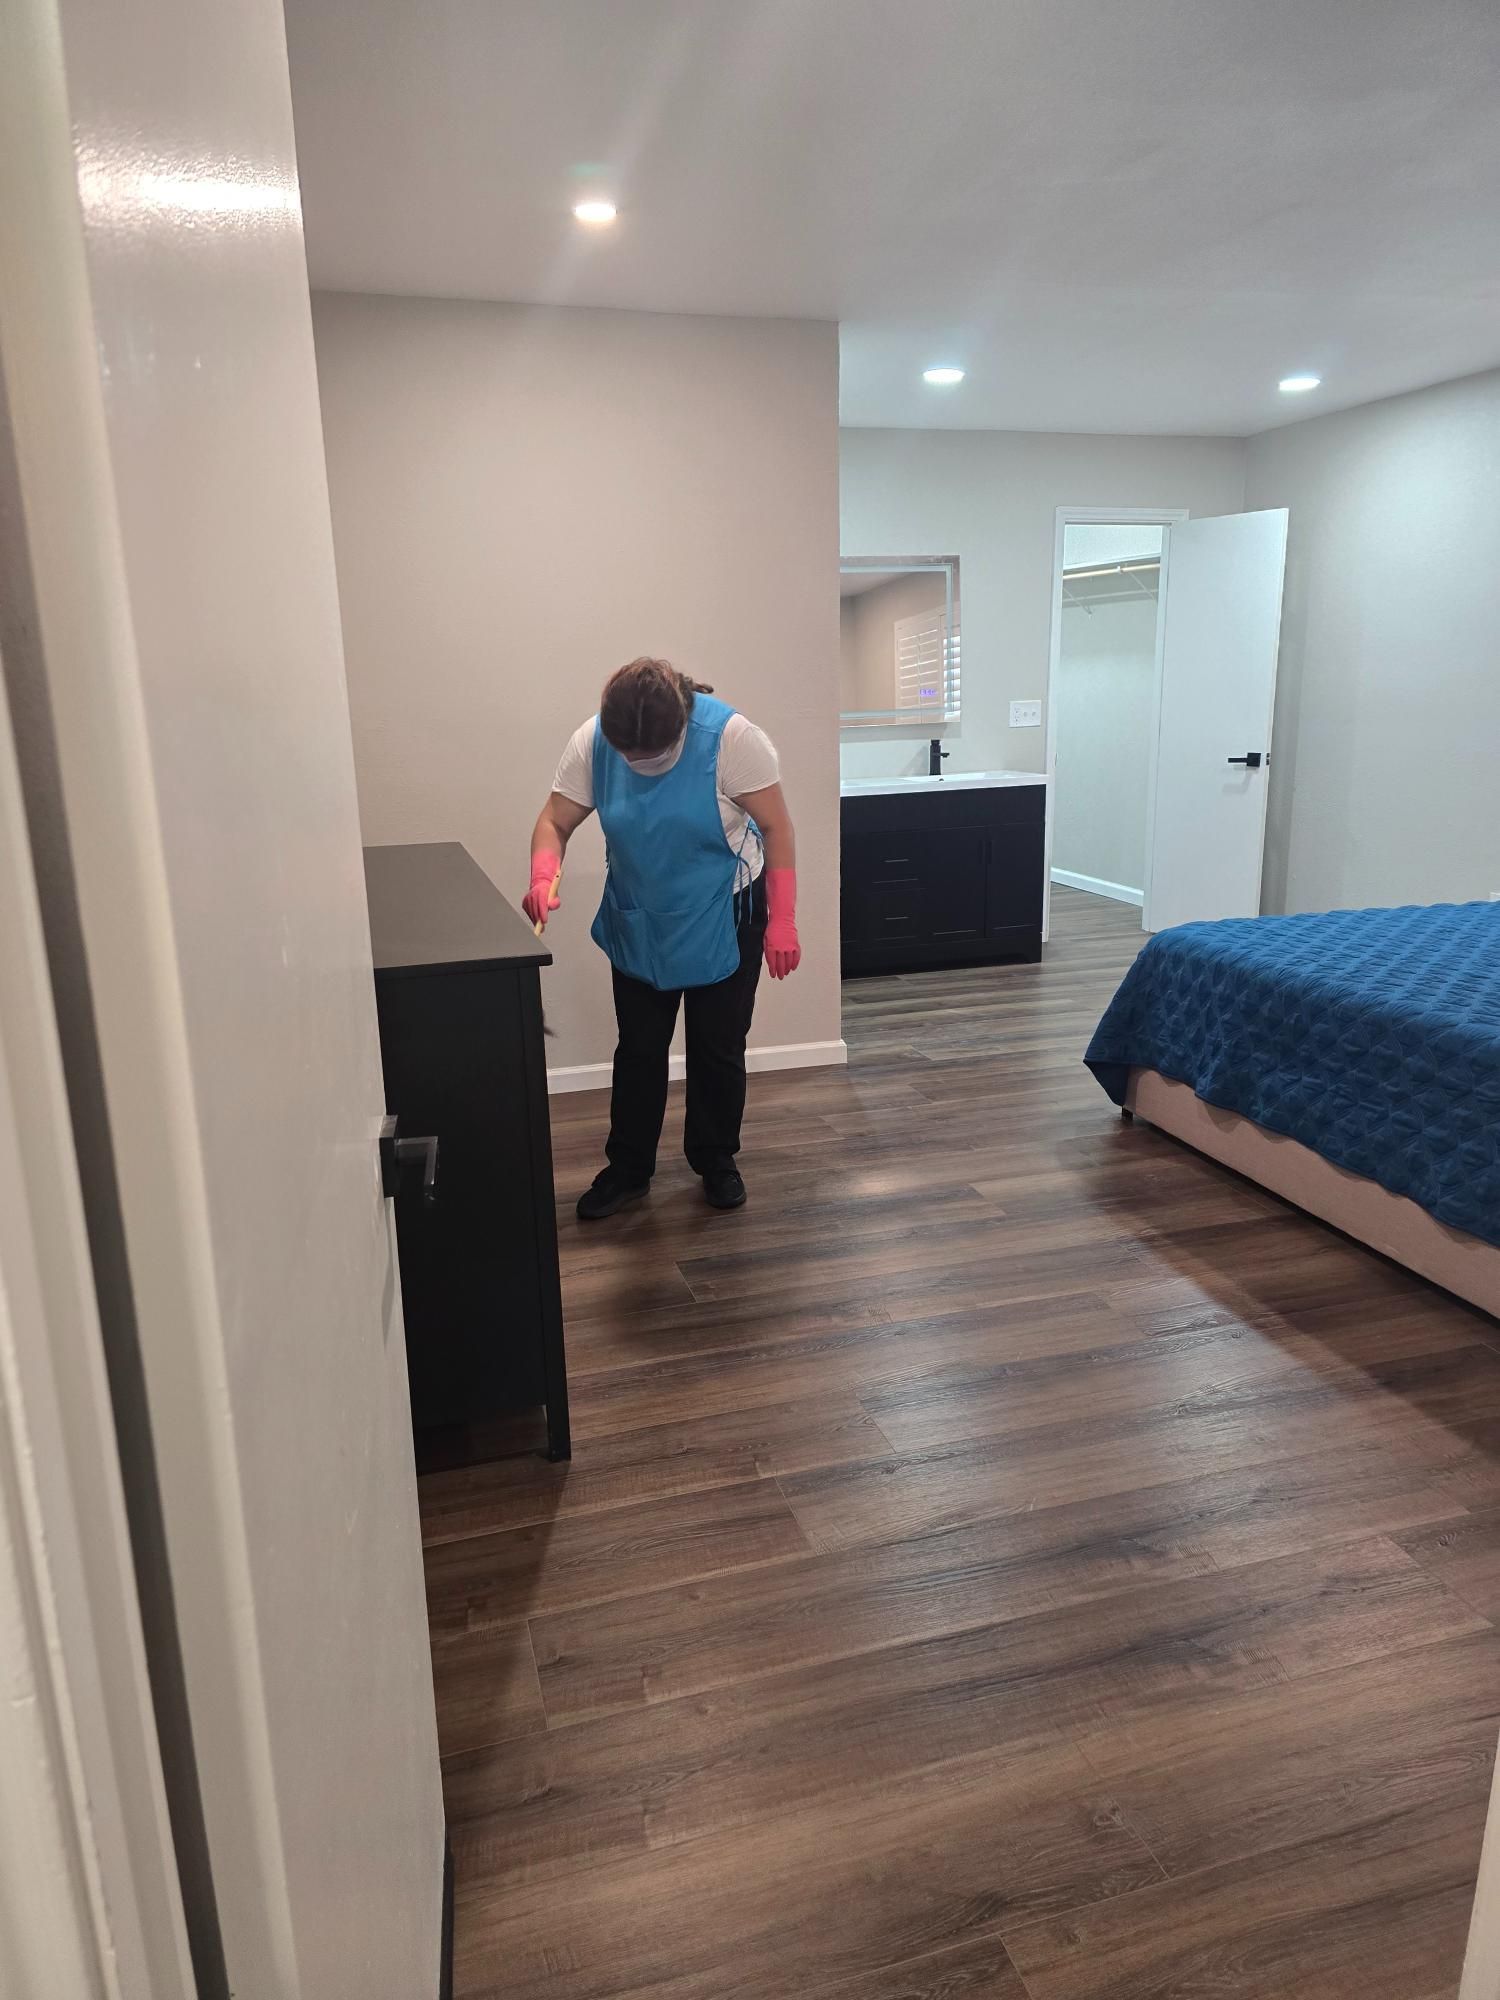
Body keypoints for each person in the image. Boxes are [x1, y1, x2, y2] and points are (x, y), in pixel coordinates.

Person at [524, 658, 801, 1218]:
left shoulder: (732, 740)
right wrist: (541, 872)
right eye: (628, 756)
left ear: (681, 727)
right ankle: (628, 1168)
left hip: (725, 908)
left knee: (718, 1045)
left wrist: (783, 918)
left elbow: (776, 826)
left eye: (652, 757)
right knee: (639, 1047)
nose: (637, 765)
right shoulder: (594, 741)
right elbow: (555, 819)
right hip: (642, 911)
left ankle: (715, 1159)